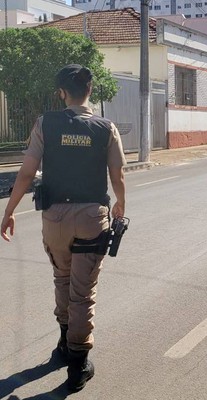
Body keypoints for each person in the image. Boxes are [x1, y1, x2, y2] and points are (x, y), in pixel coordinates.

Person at [1, 64, 127, 392]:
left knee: (62, 277)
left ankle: (62, 344)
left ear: (61, 93)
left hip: (53, 216)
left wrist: (9, 211)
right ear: (90, 91)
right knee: (82, 292)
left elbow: (27, 173)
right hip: (90, 218)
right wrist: (120, 205)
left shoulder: (46, 124)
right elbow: (117, 175)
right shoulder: (105, 127)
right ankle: (78, 364)